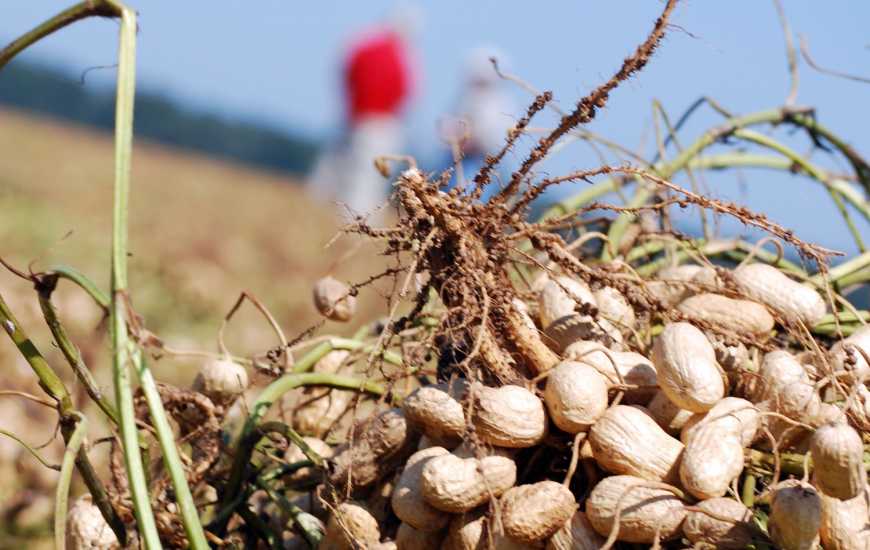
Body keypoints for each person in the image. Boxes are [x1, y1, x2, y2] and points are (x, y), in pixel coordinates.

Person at [309, 8, 419, 221]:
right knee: (367, 178)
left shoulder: (363, 44)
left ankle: (324, 216)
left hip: (355, 117)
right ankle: (357, 224)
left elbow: (344, 72)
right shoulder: (402, 56)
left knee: (340, 170)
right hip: (380, 124)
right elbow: (408, 94)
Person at [438, 47, 516, 203]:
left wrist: (473, 140)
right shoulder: (466, 97)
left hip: (481, 160)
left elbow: (495, 137)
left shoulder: (498, 102)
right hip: (458, 158)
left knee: (475, 198)